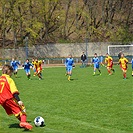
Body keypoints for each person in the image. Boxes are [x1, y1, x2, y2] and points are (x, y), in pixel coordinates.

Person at [0, 64, 33, 130]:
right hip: (8, 98)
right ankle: (23, 122)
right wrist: (19, 100)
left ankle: (23, 122)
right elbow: (14, 91)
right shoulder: (9, 80)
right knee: (22, 109)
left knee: (16, 111)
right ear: (9, 72)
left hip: (1, 100)